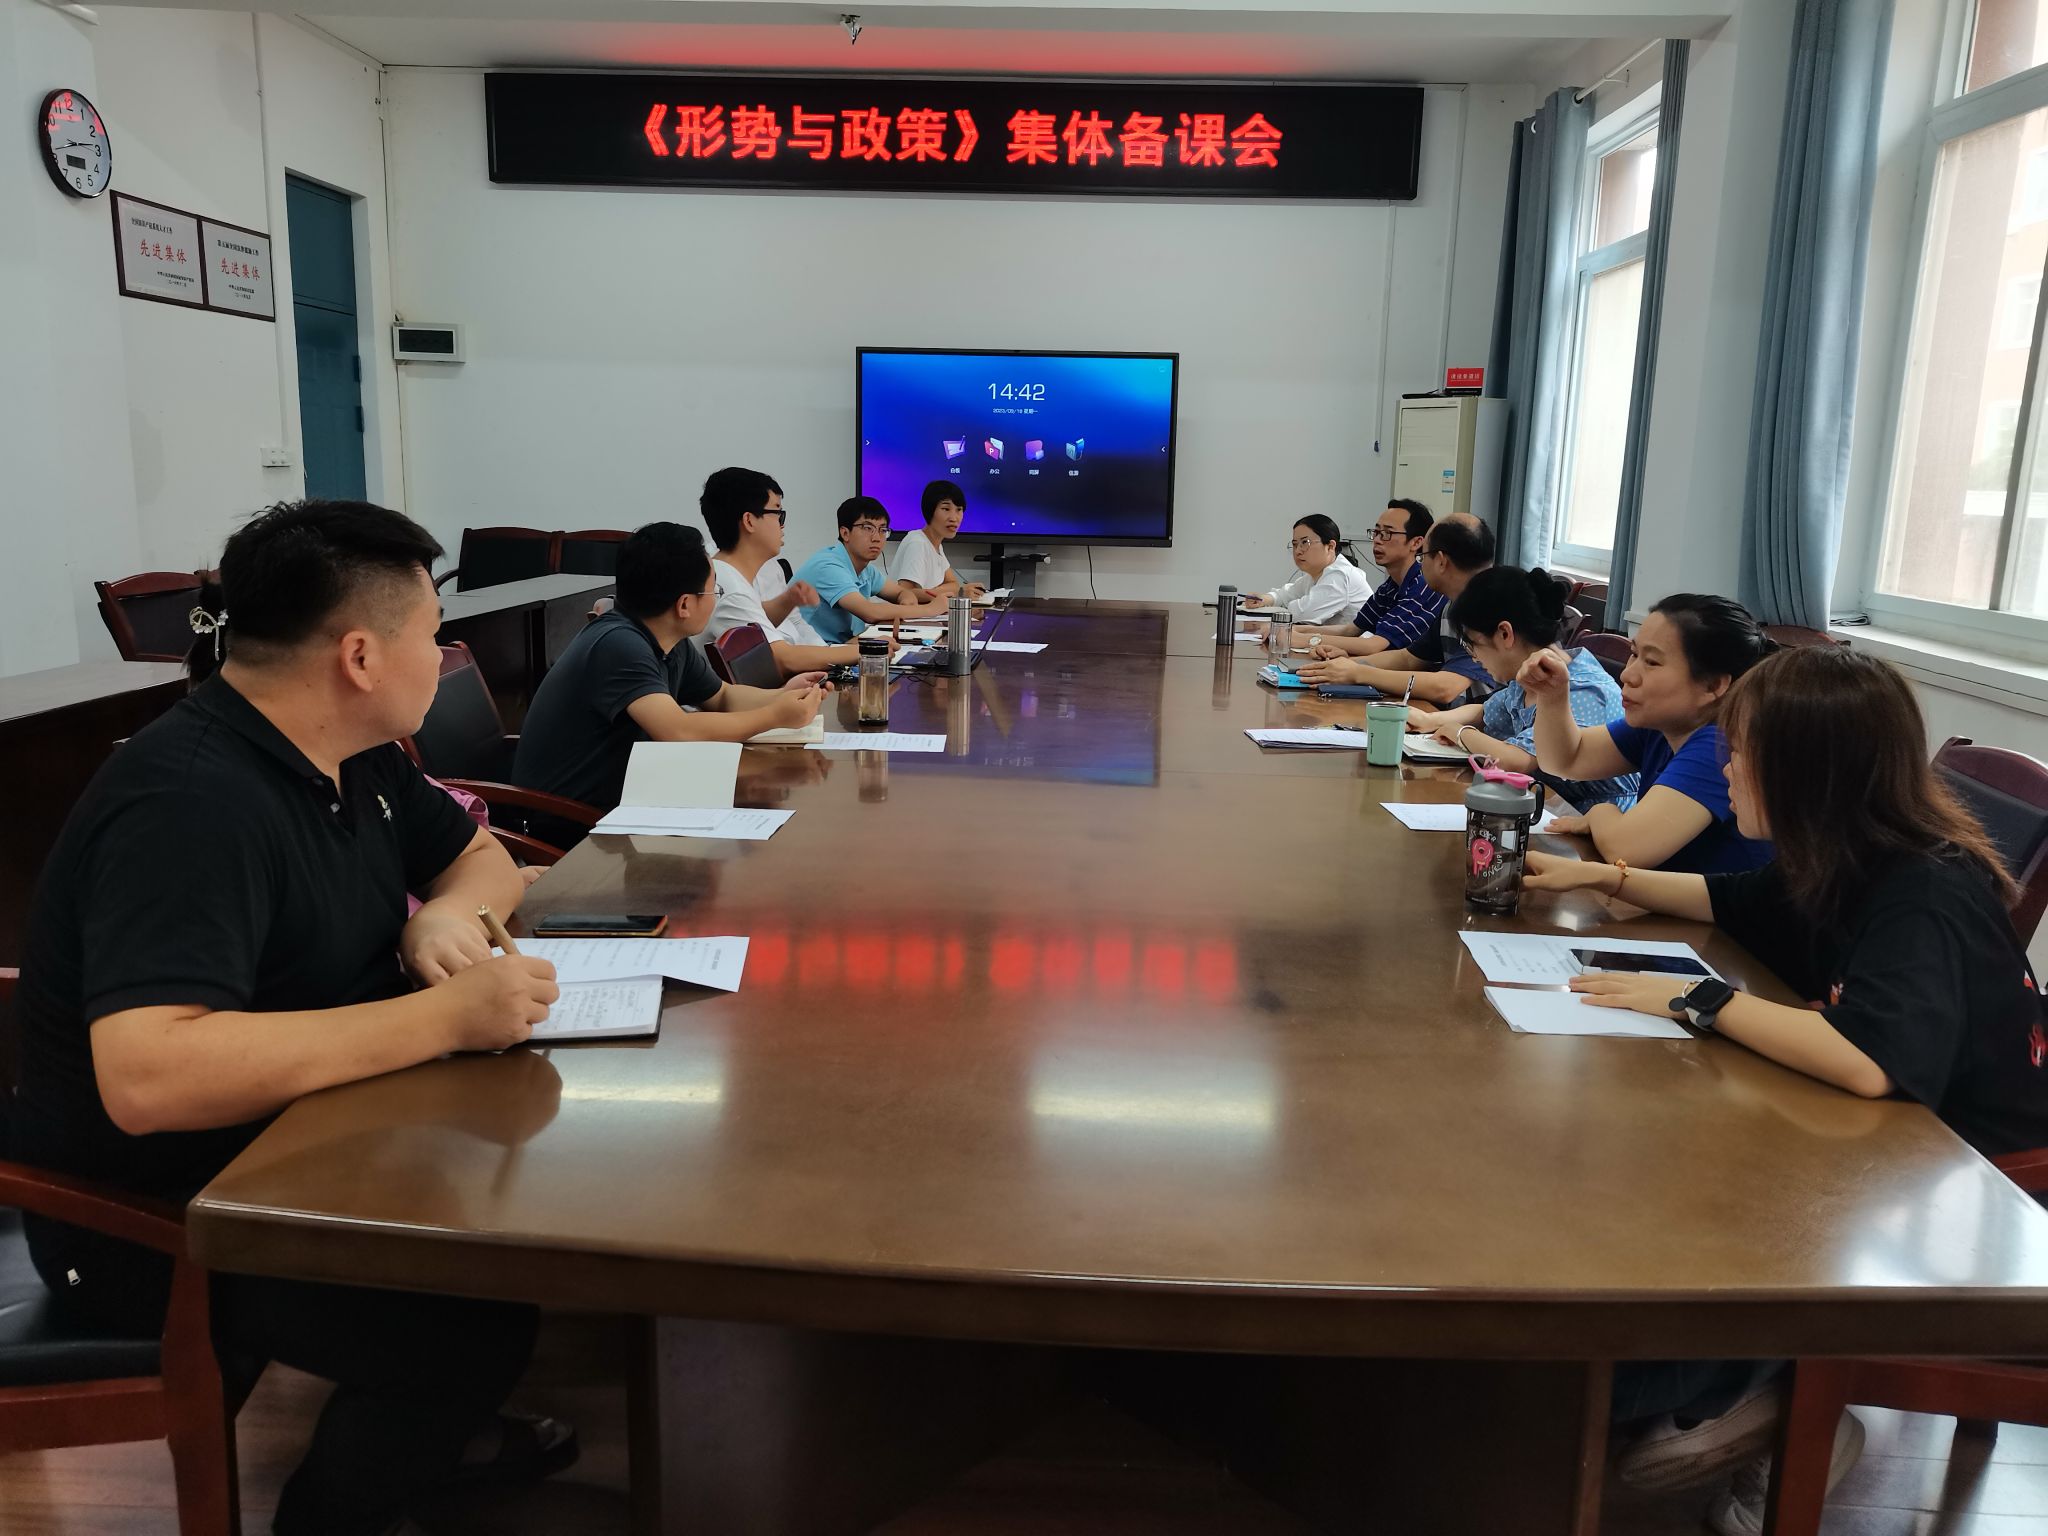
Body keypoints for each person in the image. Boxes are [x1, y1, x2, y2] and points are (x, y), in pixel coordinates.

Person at [13, 500, 573, 1536]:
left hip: (297, 1144)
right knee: (462, 1322)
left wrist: (441, 919)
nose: (443, 654)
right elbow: (147, 1077)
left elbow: (480, 858)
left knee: (501, 1244)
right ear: (360, 656)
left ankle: (422, 1452)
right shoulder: (189, 802)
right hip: (153, 1215)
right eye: (431, 633)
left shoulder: (352, 752)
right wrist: (445, 1019)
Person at [1525, 645, 2048, 1534]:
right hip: (1896, 1154)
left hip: (1976, 1196)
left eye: (1741, 752)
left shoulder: (1922, 890)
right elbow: (1730, 900)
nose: (1726, 767)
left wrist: (1700, 1000)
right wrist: (1605, 876)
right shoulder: (1843, 853)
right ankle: (1721, 1394)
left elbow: (1871, 1059)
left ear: (1809, 770)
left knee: (1680, 1240)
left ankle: (1758, 1405)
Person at [512, 521, 826, 808]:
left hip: (631, 798)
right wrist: (775, 716)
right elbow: (678, 730)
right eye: (713, 591)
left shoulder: (668, 640)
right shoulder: (619, 644)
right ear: (685, 605)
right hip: (568, 820)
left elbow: (722, 697)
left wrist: (783, 696)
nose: (715, 598)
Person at [1518, 593, 1774, 874]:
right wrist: (1552, 695)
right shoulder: (1662, 725)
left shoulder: (1721, 745)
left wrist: (1601, 812)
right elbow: (1566, 759)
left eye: (1651, 662)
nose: (1628, 675)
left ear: (1713, 686)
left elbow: (1626, 851)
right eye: (1634, 654)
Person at [1405, 565, 1637, 812]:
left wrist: (1459, 732)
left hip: (1599, 819)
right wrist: (1430, 720)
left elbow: (1516, 761)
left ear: (1505, 633)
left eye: (1472, 645)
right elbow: (1485, 711)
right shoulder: (1531, 674)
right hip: (1549, 805)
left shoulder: (1583, 689)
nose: (1473, 657)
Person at [1297, 513, 1495, 705]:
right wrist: (1347, 664)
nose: (1420, 564)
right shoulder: (1452, 607)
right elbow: (1408, 658)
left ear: (1441, 561)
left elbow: (1445, 688)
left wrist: (1358, 672)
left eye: (1422, 556)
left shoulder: (1488, 610)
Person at [700, 465, 862, 676]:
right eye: (778, 513)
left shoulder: (729, 575)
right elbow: (781, 658)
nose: (782, 525)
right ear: (749, 521)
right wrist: (866, 650)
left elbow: (757, 625)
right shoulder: (728, 587)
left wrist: (788, 600)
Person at [793, 496, 949, 645]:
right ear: (845, 533)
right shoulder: (828, 566)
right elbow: (870, 612)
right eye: (867, 528)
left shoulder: (866, 569)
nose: (877, 538)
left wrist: (906, 599)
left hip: (841, 645)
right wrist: (930, 609)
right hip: (810, 651)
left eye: (882, 530)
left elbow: (901, 592)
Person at [1297, 498, 1442, 656]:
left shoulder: (1422, 585)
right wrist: (1293, 631)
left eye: (1387, 534)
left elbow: (1373, 645)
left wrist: (1305, 639)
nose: (1377, 540)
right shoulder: (1390, 587)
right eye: (1376, 532)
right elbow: (1351, 630)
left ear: (1416, 543)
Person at [1239, 513, 1377, 624]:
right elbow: (1287, 594)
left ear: (1330, 546)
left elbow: (1303, 614)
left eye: (1305, 542)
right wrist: (1265, 599)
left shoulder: (1340, 575)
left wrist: (1287, 605)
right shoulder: (1315, 575)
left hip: (1358, 649)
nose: (1298, 551)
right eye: (1295, 544)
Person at [890, 480, 987, 599]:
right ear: (930, 511)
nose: (954, 518)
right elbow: (905, 594)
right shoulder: (917, 543)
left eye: (959, 510)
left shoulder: (936, 545)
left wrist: (945, 591)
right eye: (946, 509)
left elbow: (953, 584)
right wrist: (959, 592)